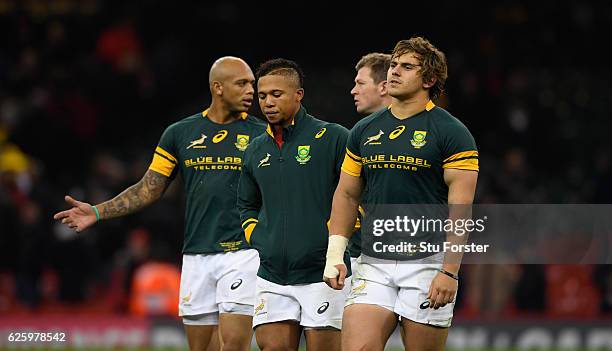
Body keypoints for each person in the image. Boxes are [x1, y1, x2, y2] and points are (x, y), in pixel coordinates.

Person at [53, 56, 266, 351]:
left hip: (243, 253)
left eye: (252, 85)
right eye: (242, 83)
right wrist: (99, 212)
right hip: (196, 255)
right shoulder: (180, 133)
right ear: (218, 87)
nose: (251, 91)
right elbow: (148, 188)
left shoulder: (262, 134)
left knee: (233, 345)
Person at [323, 37, 479, 351]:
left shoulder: (453, 133)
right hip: (374, 262)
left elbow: (460, 209)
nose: (394, 71)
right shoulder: (364, 130)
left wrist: (449, 271)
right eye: (394, 64)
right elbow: (347, 195)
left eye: (406, 67)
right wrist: (334, 254)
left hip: (428, 263)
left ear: (430, 79)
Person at [237, 58, 351, 351]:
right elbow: (246, 205)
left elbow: (358, 195)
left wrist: (341, 246)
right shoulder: (254, 150)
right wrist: (258, 237)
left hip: (322, 274)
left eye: (277, 94)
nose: (267, 103)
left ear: (298, 94)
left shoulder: (334, 137)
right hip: (272, 274)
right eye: (262, 96)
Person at [348, 52, 392, 273]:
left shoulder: (430, 133)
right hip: (361, 255)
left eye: (360, 83)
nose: (353, 90)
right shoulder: (358, 135)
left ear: (383, 87)